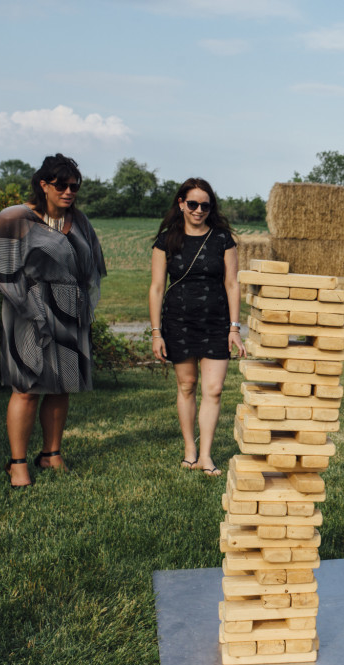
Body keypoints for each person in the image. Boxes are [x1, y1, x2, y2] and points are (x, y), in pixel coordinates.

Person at [0, 153, 106, 489]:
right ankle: (17, 463)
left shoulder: (79, 221)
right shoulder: (20, 216)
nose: (69, 191)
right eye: (61, 185)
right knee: (26, 386)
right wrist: (13, 286)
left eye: (74, 186)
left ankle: (51, 454)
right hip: (30, 308)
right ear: (44, 184)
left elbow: (91, 265)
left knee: (62, 385)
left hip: (69, 308)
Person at [148, 178, 245, 476]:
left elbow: (232, 284)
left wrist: (234, 327)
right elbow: (155, 287)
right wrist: (156, 333)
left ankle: (206, 455)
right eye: (193, 204)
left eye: (205, 205)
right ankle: (190, 447)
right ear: (181, 204)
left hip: (216, 322)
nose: (199, 210)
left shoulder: (222, 239)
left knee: (213, 390)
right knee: (187, 385)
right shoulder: (166, 240)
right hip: (178, 321)